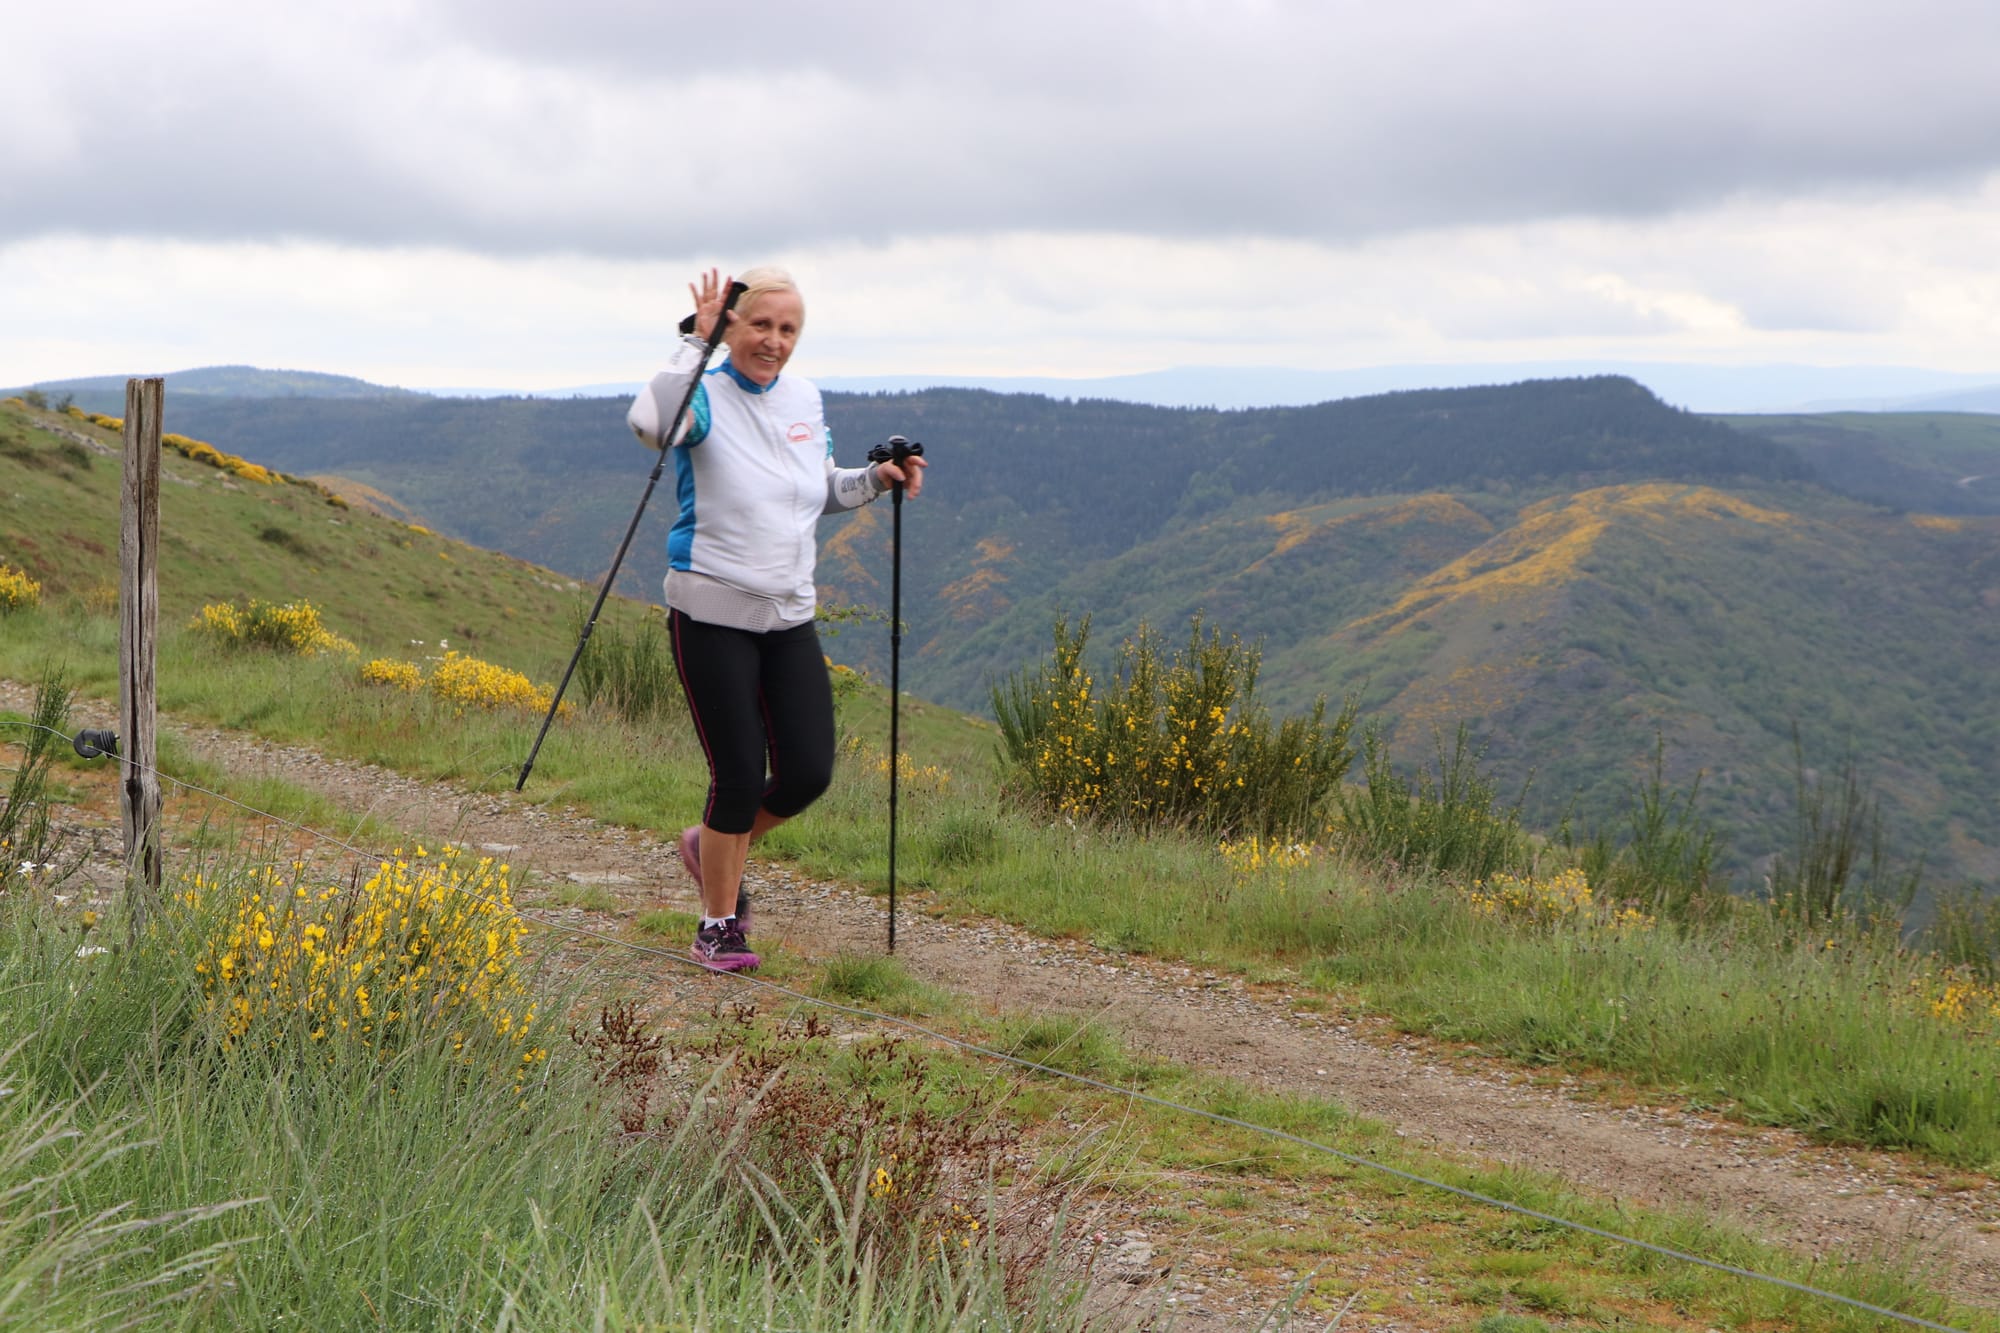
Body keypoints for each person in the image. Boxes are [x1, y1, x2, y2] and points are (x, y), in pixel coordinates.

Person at [627, 267, 925, 971]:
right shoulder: (704, 394)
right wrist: (693, 348)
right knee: (737, 774)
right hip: (711, 605)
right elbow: (651, 424)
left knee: (806, 773)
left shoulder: (803, 397)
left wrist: (875, 481)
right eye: (760, 324)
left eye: (788, 329)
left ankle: (708, 846)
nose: (775, 340)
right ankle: (718, 926)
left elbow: (818, 489)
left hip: (789, 611)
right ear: (731, 325)